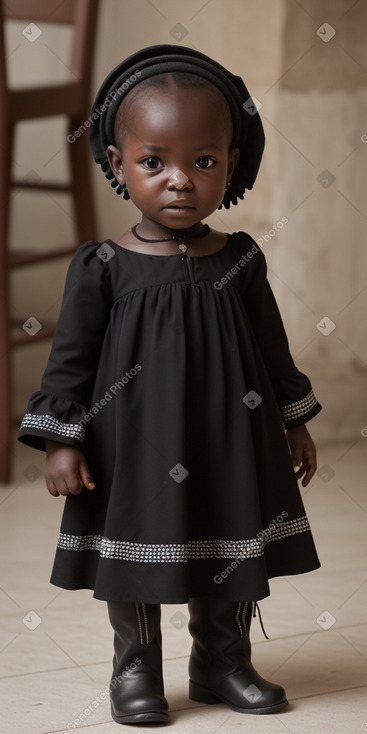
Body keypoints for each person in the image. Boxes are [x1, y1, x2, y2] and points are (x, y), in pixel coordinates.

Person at [18, 44, 322, 725]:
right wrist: (62, 440)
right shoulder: (102, 265)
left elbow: (272, 351)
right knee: (135, 554)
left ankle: (224, 661)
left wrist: (292, 419)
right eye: (154, 161)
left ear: (230, 166)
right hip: (133, 447)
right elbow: (69, 360)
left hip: (230, 438)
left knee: (230, 536)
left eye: (202, 161)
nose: (179, 180)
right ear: (116, 165)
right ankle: (134, 672)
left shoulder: (240, 258)